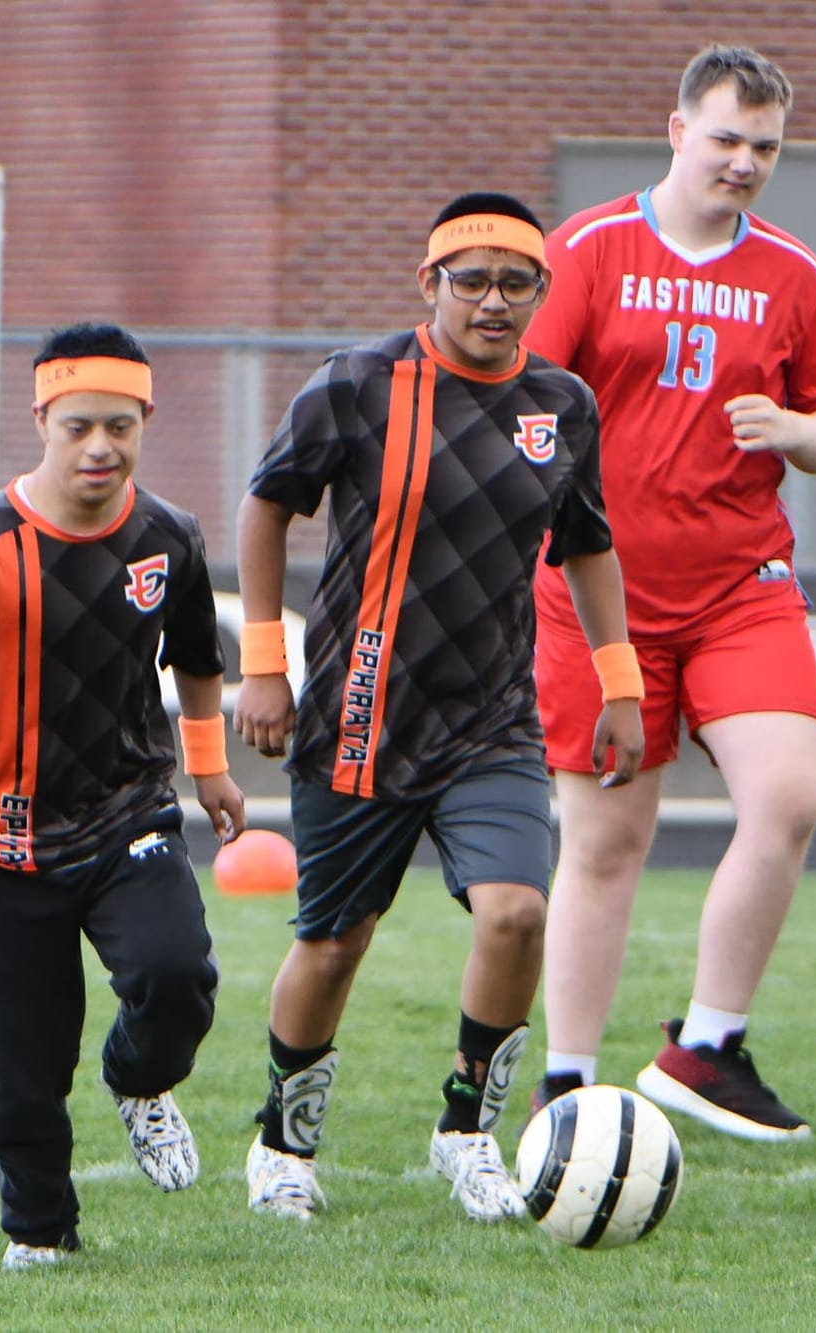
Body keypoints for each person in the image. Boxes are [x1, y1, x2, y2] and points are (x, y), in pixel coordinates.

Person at [231, 193, 645, 1224]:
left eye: (516, 282)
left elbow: (586, 544)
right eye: (472, 280)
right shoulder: (357, 384)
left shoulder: (563, 403)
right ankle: (283, 1143)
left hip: (492, 717)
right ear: (430, 284)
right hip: (359, 709)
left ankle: (466, 1134)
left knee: (515, 913)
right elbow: (264, 503)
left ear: (540, 291)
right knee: (332, 943)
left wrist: (620, 685)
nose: (494, 301)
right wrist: (263, 662)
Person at [524, 45, 816, 1141]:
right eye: (724, 139)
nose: (742, 163)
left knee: (787, 800)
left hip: (740, 585)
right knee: (607, 841)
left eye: (763, 147)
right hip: (597, 596)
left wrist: (797, 431)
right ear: (674, 131)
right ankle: (566, 1086)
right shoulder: (586, 250)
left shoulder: (793, 275)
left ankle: (705, 1048)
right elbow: (519, 403)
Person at [0, 323, 245, 1271]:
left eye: (120, 426)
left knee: (175, 976)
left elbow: (200, 662)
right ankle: (41, 1232)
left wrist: (210, 770)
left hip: (126, 816)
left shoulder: (171, 538)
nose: (100, 447)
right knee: (20, 1073)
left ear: (146, 419)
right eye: (79, 426)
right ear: (41, 418)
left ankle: (139, 1080)